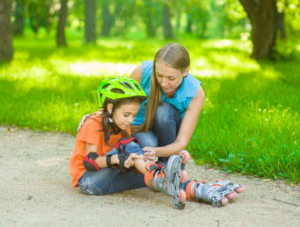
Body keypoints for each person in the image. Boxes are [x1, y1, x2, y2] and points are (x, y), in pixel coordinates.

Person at [130, 43, 245, 206]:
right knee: (148, 142)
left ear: (185, 71)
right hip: (139, 130)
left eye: (171, 78)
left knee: (163, 112)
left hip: (168, 140)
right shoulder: (142, 72)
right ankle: (155, 175)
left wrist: (155, 151)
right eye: (159, 75)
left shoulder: (195, 93)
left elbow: (181, 143)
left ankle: (168, 167)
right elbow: (116, 106)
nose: (163, 83)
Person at [69, 77, 189, 209]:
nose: (130, 120)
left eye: (134, 115)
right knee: (128, 146)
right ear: (110, 108)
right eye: (126, 115)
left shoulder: (122, 124)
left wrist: (138, 159)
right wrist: (116, 159)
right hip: (89, 181)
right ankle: (155, 173)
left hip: (108, 181)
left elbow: (127, 156)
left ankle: (178, 184)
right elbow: (90, 162)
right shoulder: (93, 123)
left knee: (143, 177)